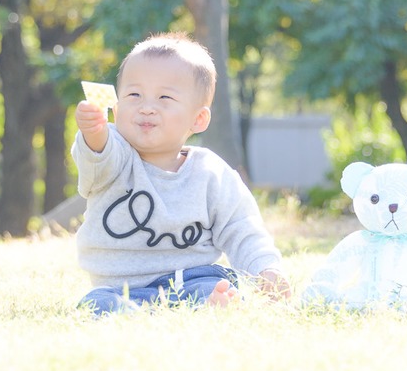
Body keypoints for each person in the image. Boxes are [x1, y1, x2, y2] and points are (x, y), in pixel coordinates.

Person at [71, 31, 291, 315]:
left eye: (164, 97)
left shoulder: (211, 173)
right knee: (97, 304)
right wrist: (93, 132)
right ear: (115, 108)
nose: (146, 108)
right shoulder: (114, 157)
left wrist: (266, 269)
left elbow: (242, 228)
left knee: (215, 289)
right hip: (120, 286)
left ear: (198, 119)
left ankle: (210, 305)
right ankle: (143, 314)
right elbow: (96, 156)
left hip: (191, 278)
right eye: (134, 95)